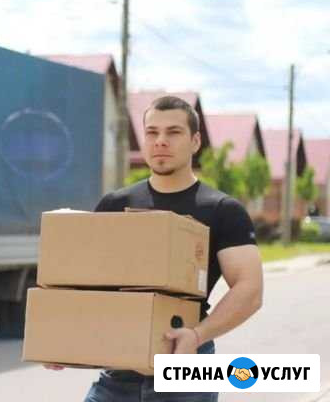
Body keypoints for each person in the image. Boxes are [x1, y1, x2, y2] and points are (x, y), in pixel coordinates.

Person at [44, 96, 264, 402]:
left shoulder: (222, 210)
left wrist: (197, 335)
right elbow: (86, 285)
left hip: (185, 363)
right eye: (152, 132)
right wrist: (62, 341)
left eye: (173, 132)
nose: (161, 141)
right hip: (118, 369)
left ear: (195, 141)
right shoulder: (114, 205)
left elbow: (250, 290)